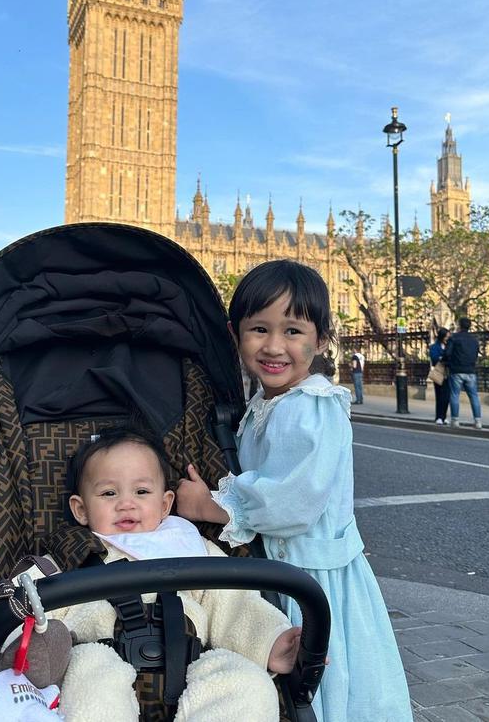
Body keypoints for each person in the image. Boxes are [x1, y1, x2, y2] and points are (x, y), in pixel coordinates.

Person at [177, 259, 413, 722]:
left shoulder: (313, 407)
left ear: (321, 339)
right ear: (235, 333)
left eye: (293, 332)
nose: (274, 346)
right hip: (281, 565)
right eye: (259, 329)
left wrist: (210, 505)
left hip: (314, 575)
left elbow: (292, 502)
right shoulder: (265, 404)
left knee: (326, 679)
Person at [54, 429, 302, 722]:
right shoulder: (71, 554)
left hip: (190, 662)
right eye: (109, 493)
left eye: (142, 492)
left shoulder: (191, 548)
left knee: (246, 681)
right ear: (81, 509)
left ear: (164, 504)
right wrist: (26, 645)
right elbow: (28, 606)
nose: (126, 503)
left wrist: (270, 640)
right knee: (87, 671)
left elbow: (233, 603)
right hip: (102, 654)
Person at [445, 316, 482, 428]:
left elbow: (448, 353)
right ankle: (478, 421)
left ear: (459, 325)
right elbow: (476, 354)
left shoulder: (454, 338)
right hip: (470, 370)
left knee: (455, 395)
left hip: (456, 370)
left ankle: (455, 420)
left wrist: (448, 362)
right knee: (474, 396)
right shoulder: (474, 340)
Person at [429, 328, 450, 425]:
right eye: (446, 336)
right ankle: (438, 417)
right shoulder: (434, 347)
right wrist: (442, 358)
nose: (447, 338)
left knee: (446, 397)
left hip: (448, 373)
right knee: (439, 395)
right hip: (439, 372)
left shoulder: (449, 346)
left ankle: (444, 416)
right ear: (442, 336)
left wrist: (442, 358)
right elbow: (434, 359)